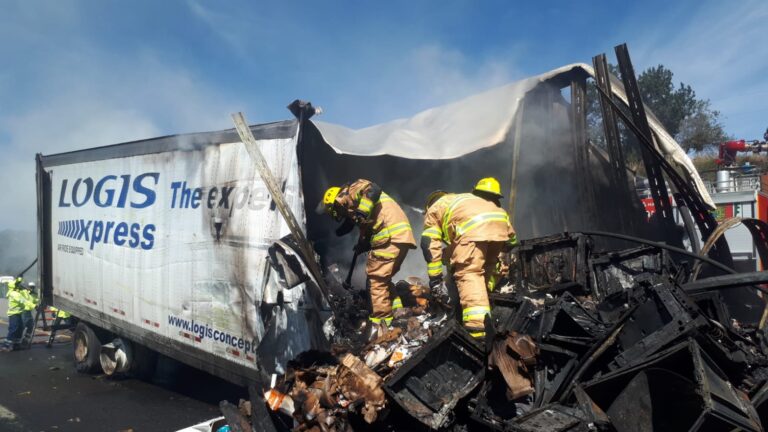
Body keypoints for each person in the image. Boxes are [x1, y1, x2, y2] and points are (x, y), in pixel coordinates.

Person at [421, 177, 517, 339]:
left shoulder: (435, 209)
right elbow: (512, 241)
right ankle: (485, 306)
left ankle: (477, 329)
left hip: (474, 229)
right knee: (484, 270)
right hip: (500, 226)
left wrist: (435, 279)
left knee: (469, 273)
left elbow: (429, 244)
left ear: (429, 205)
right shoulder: (466, 200)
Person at [321, 179, 416, 329]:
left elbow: (373, 188)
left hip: (389, 235)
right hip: (400, 236)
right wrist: (363, 245)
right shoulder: (357, 207)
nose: (340, 215)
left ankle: (382, 325)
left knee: (375, 281)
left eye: (336, 211)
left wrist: (361, 212)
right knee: (383, 279)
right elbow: (367, 227)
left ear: (335, 203)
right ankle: (398, 311)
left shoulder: (352, 190)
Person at [2, 277, 36, 351]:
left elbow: (26, 293)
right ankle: (6, 346)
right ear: (14, 286)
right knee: (14, 329)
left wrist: (20, 280)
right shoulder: (14, 294)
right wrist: (34, 306)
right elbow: (23, 301)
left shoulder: (18, 292)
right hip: (14, 314)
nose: (19, 285)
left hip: (19, 313)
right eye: (17, 284)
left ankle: (16, 344)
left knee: (20, 329)